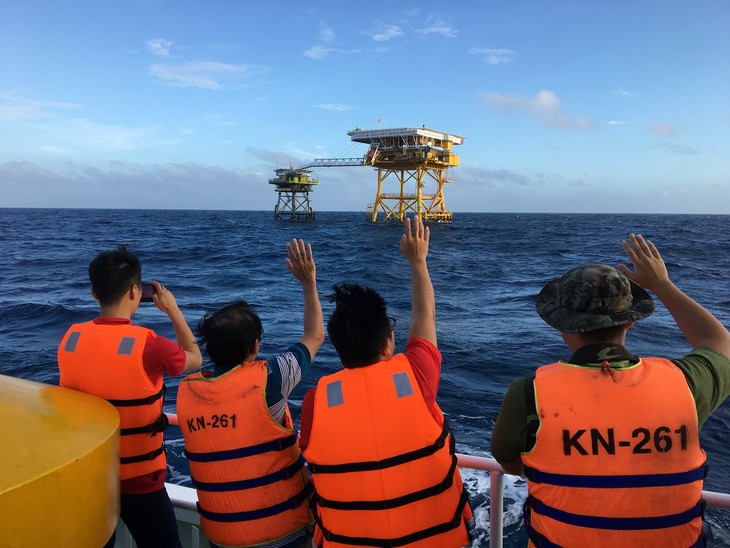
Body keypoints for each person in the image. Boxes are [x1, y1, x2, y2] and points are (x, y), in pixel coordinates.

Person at [490, 233, 730, 547]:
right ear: (630, 322)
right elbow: (719, 342)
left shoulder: (528, 394)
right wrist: (663, 286)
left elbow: (508, 459)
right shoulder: (685, 384)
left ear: (563, 325)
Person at [299, 216, 473, 548]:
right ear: (387, 343)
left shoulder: (314, 402)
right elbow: (424, 315)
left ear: (338, 348)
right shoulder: (416, 375)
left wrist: (309, 284)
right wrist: (418, 261)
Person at [176, 238, 324, 548]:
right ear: (255, 346)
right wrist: (308, 282)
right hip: (282, 535)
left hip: (222, 536)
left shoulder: (187, 391)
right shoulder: (271, 379)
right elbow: (314, 335)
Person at [57, 245, 203, 548]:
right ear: (135, 291)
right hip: (141, 482)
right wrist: (173, 310)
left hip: (90, 474)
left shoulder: (70, 338)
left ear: (94, 293)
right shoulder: (151, 346)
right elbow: (195, 358)